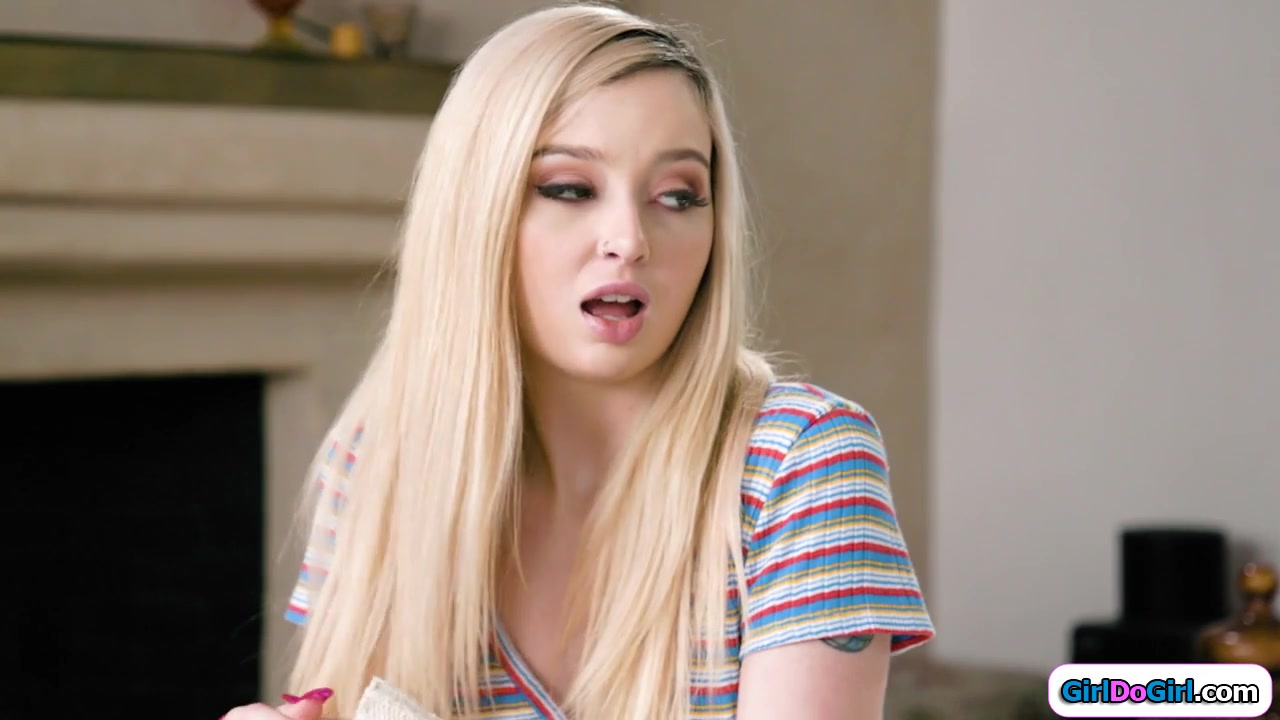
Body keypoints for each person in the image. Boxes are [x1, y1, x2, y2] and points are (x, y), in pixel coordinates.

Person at [221, 4, 933, 719]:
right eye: (570, 188)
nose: (629, 239)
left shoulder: (800, 464)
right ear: (474, 213)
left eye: (678, 196)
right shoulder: (374, 469)